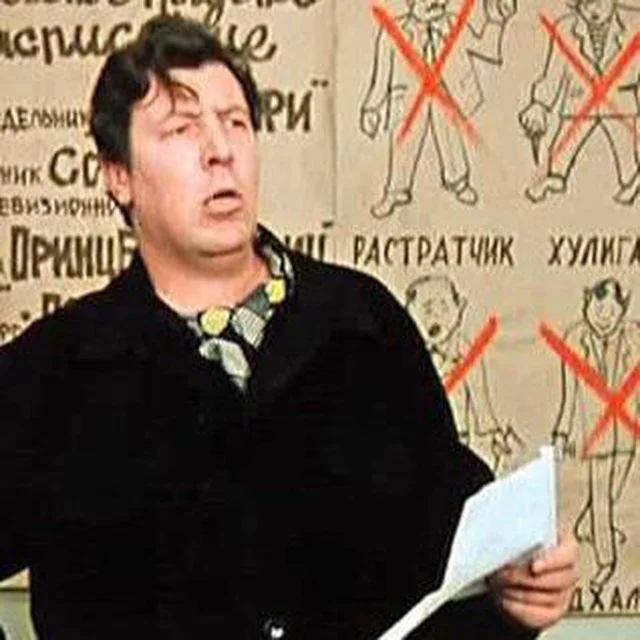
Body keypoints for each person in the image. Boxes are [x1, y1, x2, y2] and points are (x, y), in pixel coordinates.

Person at [0, 15, 577, 639]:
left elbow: (459, 568)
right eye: (182, 129)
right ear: (119, 175)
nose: (219, 150)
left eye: (235, 123)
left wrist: (515, 600)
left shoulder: (366, 325)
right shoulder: (51, 372)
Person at [360, 0, 516, 214]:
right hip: (409, 97)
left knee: (450, 137)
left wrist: (496, 20)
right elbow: (381, 76)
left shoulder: (452, 23)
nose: (436, 3)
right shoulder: (393, 29)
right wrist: (371, 107)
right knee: (404, 142)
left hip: (444, 91)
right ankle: (396, 191)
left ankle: (458, 181)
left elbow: (486, 49)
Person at [552, 278, 639, 592]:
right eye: (598, 308)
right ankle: (606, 561)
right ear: (586, 304)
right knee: (602, 500)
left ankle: (585, 526)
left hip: (627, 432)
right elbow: (570, 394)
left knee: (611, 494)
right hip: (595, 435)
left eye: (612, 310)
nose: (604, 316)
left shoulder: (633, 337)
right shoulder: (575, 339)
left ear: (623, 311)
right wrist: (562, 433)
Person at [519, 0, 640, 205]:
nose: (593, 12)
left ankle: (632, 183)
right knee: (560, 154)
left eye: (599, 4)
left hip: (619, 105)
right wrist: (539, 104)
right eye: (585, 5)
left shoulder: (634, 23)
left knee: (629, 158)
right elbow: (553, 74)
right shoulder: (565, 27)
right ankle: (554, 178)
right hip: (579, 103)